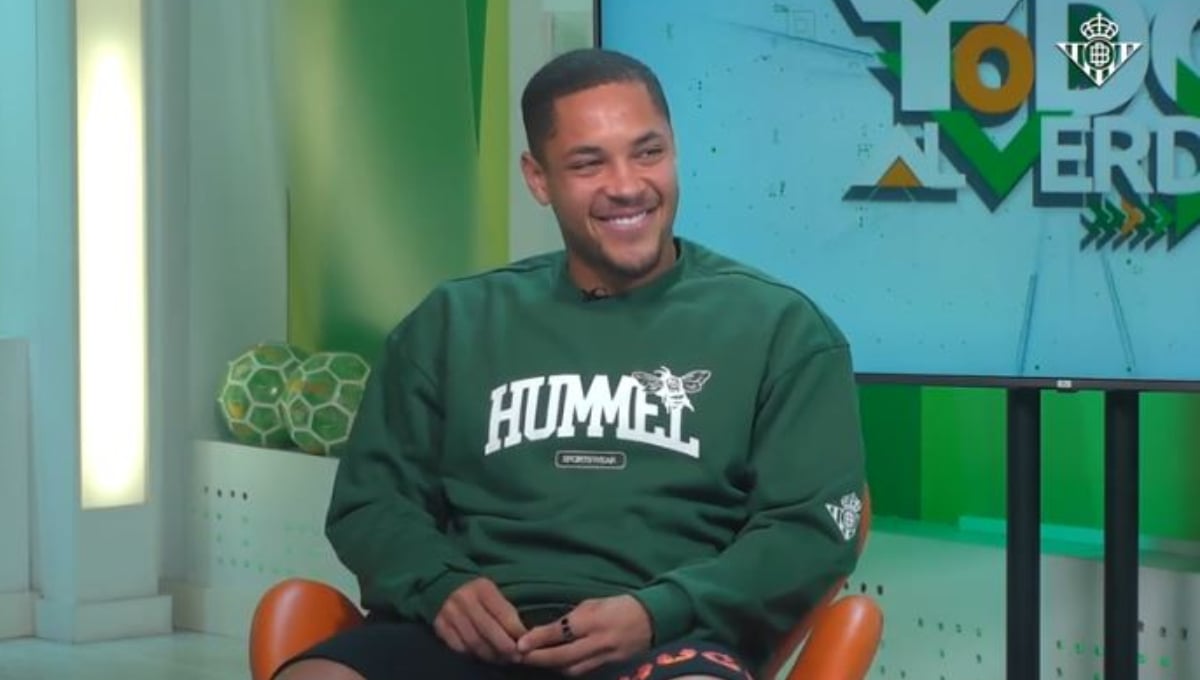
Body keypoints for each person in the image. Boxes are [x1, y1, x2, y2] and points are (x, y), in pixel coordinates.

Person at [275, 47, 866, 680]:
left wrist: (657, 611)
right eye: (589, 163)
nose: (627, 185)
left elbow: (811, 530)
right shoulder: (452, 322)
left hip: (668, 640)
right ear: (538, 179)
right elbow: (371, 501)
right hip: (464, 639)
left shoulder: (782, 330)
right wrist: (439, 585)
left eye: (648, 152)